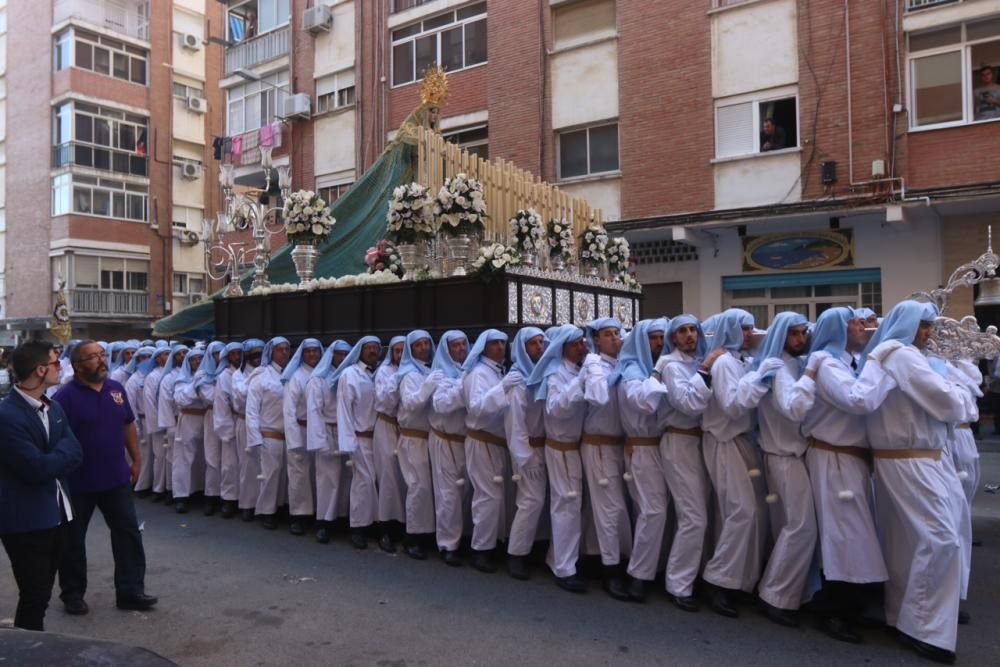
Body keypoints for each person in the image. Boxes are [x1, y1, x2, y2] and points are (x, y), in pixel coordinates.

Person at [865, 301, 974, 664]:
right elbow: (947, 402)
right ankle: (924, 627)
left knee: (905, 543)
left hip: (911, 458)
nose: (930, 333)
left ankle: (902, 616)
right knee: (941, 537)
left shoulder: (894, 354)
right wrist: (958, 393)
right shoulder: (902, 355)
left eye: (931, 326)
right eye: (924, 325)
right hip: (910, 459)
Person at [804, 307, 893, 643]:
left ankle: (850, 603)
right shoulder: (826, 364)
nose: (863, 328)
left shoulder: (847, 362)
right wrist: (880, 363)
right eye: (856, 323)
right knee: (841, 535)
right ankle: (833, 608)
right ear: (839, 330)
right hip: (833, 457)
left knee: (855, 534)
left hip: (850, 460)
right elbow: (858, 401)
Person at [54, 340, 157, 614]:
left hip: (116, 478)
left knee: (128, 534)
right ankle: (73, 594)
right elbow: (56, 439)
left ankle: (130, 591)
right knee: (73, 540)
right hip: (78, 482)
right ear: (77, 366)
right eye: (92, 357)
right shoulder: (64, 398)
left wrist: (136, 459)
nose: (101, 360)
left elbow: (128, 426)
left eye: (102, 355)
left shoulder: (116, 390)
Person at [0, 340, 82, 631]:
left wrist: (52, 457)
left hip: (59, 513)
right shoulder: (7, 415)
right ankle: (28, 652)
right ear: (40, 369)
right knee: (34, 595)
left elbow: (76, 451)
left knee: (43, 594)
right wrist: (57, 456)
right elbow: (35, 468)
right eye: (57, 362)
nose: (62, 367)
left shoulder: (54, 406)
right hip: (26, 522)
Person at [699, 308, 775, 617]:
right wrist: (759, 379)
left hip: (743, 441)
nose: (750, 334)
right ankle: (717, 580)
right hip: (724, 440)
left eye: (751, 328)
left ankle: (740, 580)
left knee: (751, 513)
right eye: (744, 329)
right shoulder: (725, 363)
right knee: (741, 511)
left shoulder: (741, 362)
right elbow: (732, 405)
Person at [752, 312, 820, 628]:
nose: (800, 339)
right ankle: (775, 595)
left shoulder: (794, 363)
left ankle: (793, 592)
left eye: (803, 333)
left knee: (791, 526)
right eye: (793, 334)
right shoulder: (778, 367)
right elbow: (792, 408)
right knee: (800, 527)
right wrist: (812, 375)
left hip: (794, 456)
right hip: (782, 455)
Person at [654, 314, 722, 612]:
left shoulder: (698, 362)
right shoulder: (670, 366)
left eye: (693, 329)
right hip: (679, 442)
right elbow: (687, 402)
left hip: (701, 441)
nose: (689, 335)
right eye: (682, 331)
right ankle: (678, 584)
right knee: (693, 516)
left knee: (703, 512)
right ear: (673, 338)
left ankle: (697, 576)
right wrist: (706, 369)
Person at [526, 324, 590, 593]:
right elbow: (556, 409)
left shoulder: (575, 370)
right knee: (566, 505)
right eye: (576, 343)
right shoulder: (555, 373)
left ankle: (561, 557)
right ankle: (564, 568)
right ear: (563, 346)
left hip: (574, 447)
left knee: (572, 506)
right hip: (561, 447)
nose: (582, 346)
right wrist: (581, 381)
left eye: (582, 342)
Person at [614, 318, 669, 602]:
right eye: (654, 338)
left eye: (662, 337)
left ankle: (652, 568)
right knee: (653, 511)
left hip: (659, 448)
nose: (660, 344)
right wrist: (658, 373)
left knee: (655, 512)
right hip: (642, 448)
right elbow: (644, 403)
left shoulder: (648, 368)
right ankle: (637, 576)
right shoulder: (633, 370)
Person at [580, 317, 632, 601]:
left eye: (617, 333)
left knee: (602, 508)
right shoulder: (594, 364)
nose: (615, 338)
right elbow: (598, 396)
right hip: (599, 444)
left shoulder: (620, 364)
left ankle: (591, 556)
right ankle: (611, 569)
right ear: (596, 340)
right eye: (608, 334)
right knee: (610, 510)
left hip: (617, 445)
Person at [462, 329, 513, 574]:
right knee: (487, 496)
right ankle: (481, 549)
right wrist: (503, 389)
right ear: (483, 347)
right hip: (482, 441)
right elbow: (477, 408)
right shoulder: (479, 373)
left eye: (502, 343)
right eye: (494, 344)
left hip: (496, 442)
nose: (500, 348)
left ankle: (494, 543)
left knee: (498, 497)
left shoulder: (497, 371)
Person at [503, 327, 548, 581]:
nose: (539, 348)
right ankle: (516, 554)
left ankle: (536, 547)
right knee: (531, 500)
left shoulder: (539, 374)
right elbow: (515, 423)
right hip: (528, 448)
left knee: (543, 500)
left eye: (542, 342)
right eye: (533, 344)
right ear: (522, 348)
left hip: (545, 446)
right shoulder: (518, 380)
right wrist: (524, 456)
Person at [332, 336, 383, 549]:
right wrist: (348, 442)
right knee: (363, 483)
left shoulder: (382, 372)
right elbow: (344, 409)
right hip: (360, 437)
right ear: (360, 351)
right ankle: (358, 527)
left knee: (378, 483)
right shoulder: (349, 374)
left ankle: (374, 523)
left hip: (379, 438)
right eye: (368, 348)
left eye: (375, 348)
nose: (372, 351)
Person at [428, 330, 472, 565]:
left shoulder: (468, 371)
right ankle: (447, 543)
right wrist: (462, 388)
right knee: (448, 494)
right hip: (445, 439)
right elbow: (442, 404)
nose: (460, 350)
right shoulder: (440, 374)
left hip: (464, 440)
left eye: (463, 345)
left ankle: (461, 536)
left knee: (464, 492)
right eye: (454, 346)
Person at [395, 330, 438, 559]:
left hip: (428, 437)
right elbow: (411, 404)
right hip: (413, 437)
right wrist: (428, 386)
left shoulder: (429, 370)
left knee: (427, 487)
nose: (424, 348)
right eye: (418, 345)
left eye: (426, 343)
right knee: (417, 486)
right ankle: (412, 536)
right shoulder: (409, 374)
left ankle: (426, 533)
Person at [306, 340, 351, 544]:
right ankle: (324, 522)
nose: (341, 358)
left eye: (345, 354)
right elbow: (314, 411)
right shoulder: (319, 379)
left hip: (346, 431)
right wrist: (319, 440)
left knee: (347, 479)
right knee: (327, 479)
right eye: (338, 354)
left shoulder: (349, 375)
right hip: (328, 430)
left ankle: (342, 517)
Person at [246, 337, 291, 530]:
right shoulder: (261, 375)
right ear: (271, 352)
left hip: (287, 434)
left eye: (286, 349)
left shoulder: (290, 374)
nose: (284, 353)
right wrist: (255, 438)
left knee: (284, 476)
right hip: (269, 434)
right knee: (270, 475)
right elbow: (252, 409)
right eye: (279, 349)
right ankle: (267, 511)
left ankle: (279, 507)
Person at [282, 338, 323, 536]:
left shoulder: (324, 374)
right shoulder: (296, 377)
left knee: (319, 474)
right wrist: (294, 440)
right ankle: (298, 516)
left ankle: (318, 513)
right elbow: (288, 411)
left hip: (320, 432)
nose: (312, 355)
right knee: (299, 475)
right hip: (301, 429)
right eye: (308, 352)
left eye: (316, 351)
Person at [372, 335, 407, 550]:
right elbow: (384, 400)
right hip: (386, 427)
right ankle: (384, 528)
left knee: (404, 480)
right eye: (397, 351)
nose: (401, 355)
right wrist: (397, 381)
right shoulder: (384, 373)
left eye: (405, 350)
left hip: (406, 432)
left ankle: (403, 526)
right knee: (387, 478)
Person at [171, 347, 208, 514]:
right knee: (184, 458)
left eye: (201, 358)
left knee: (205, 458)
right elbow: (181, 399)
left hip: (207, 419)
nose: (198, 362)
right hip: (189, 419)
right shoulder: (182, 379)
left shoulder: (209, 376)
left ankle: (199, 489)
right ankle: (181, 495)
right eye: (194, 359)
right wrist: (194, 384)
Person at [210, 342, 244, 518]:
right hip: (232, 422)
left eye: (240, 353)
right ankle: (229, 499)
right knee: (229, 465)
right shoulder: (225, 376)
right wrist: (227, 430)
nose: (237, 356)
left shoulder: (249, 373)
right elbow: (222, 403)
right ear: (228, 357)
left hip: (246, 422)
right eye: (234, 354)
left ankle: (246, 500)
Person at [233, 339, 265, 521]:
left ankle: (264, 505)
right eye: (253, 355)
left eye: (260, 354)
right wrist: (254, 377)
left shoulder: (266, 373)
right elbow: (240, 396)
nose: (257, 358)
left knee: (265, 467)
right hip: (245, 423)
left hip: (265, 424)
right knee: (247, 466)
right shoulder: (238, 375)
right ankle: (247, 504)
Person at [156, 344, 190, 505]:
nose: (183, 355)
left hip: (196, 423)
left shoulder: (194, 374)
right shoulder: (169, 378)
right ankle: (173, 491)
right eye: (180, 353)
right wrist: (170, 426)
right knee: (175, 460)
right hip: (177, 423)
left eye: (185, 353)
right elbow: (165, 403)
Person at [123, 346, 155, 496]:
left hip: (153, 419)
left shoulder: (153, 376)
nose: (146, 361)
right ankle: (140, 485)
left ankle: (151, 483)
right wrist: (136, 428)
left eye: (149, 357)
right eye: (142, 358)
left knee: (154, 455)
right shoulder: (133, 380)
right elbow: (130, 406)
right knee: (143, 455)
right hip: (141, 420)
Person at [141, 347, 171, 502]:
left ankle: (170, 488)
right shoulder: (153, 376)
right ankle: (159, 488)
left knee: (172, 458)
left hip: (174, 423)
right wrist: (158, 424)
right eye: (165, 354)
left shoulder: (173, 373)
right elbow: (150, 402)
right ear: (158, 359)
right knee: (160, 456)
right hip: (160, 422)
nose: (168, 356)